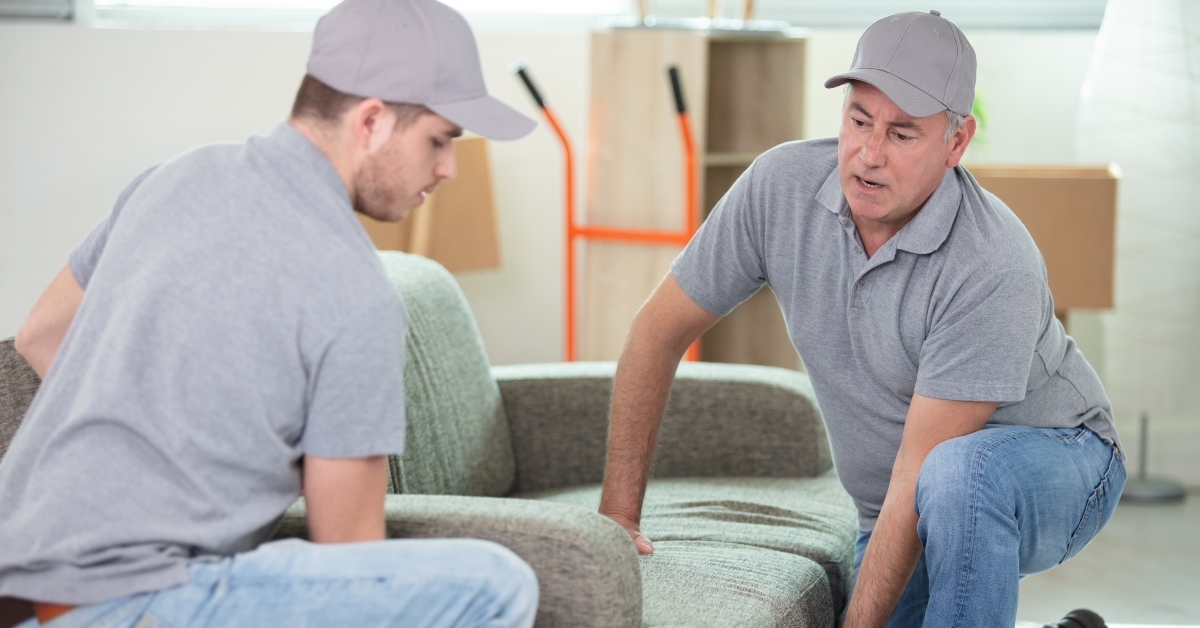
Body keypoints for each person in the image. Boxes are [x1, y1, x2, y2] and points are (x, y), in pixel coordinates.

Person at [0, 0, 540, 626]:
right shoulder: (353, 286)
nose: (448, 168)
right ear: (371, 121)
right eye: (440, 139)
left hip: (17, 578)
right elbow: (349, 552)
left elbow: (40, 334)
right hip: (132, 602)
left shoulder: (175, 176)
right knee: (495, 584)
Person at [598, 10, 1125, 628]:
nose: (869, 155)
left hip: (1064, 459)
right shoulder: (780, 189)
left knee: (960, 477)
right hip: (901, 501)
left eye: (902, 135)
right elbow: (655, 333)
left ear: (957, 142)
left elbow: (922, 471)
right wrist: (617, 520)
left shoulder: (992, 263)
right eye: (858, 120)